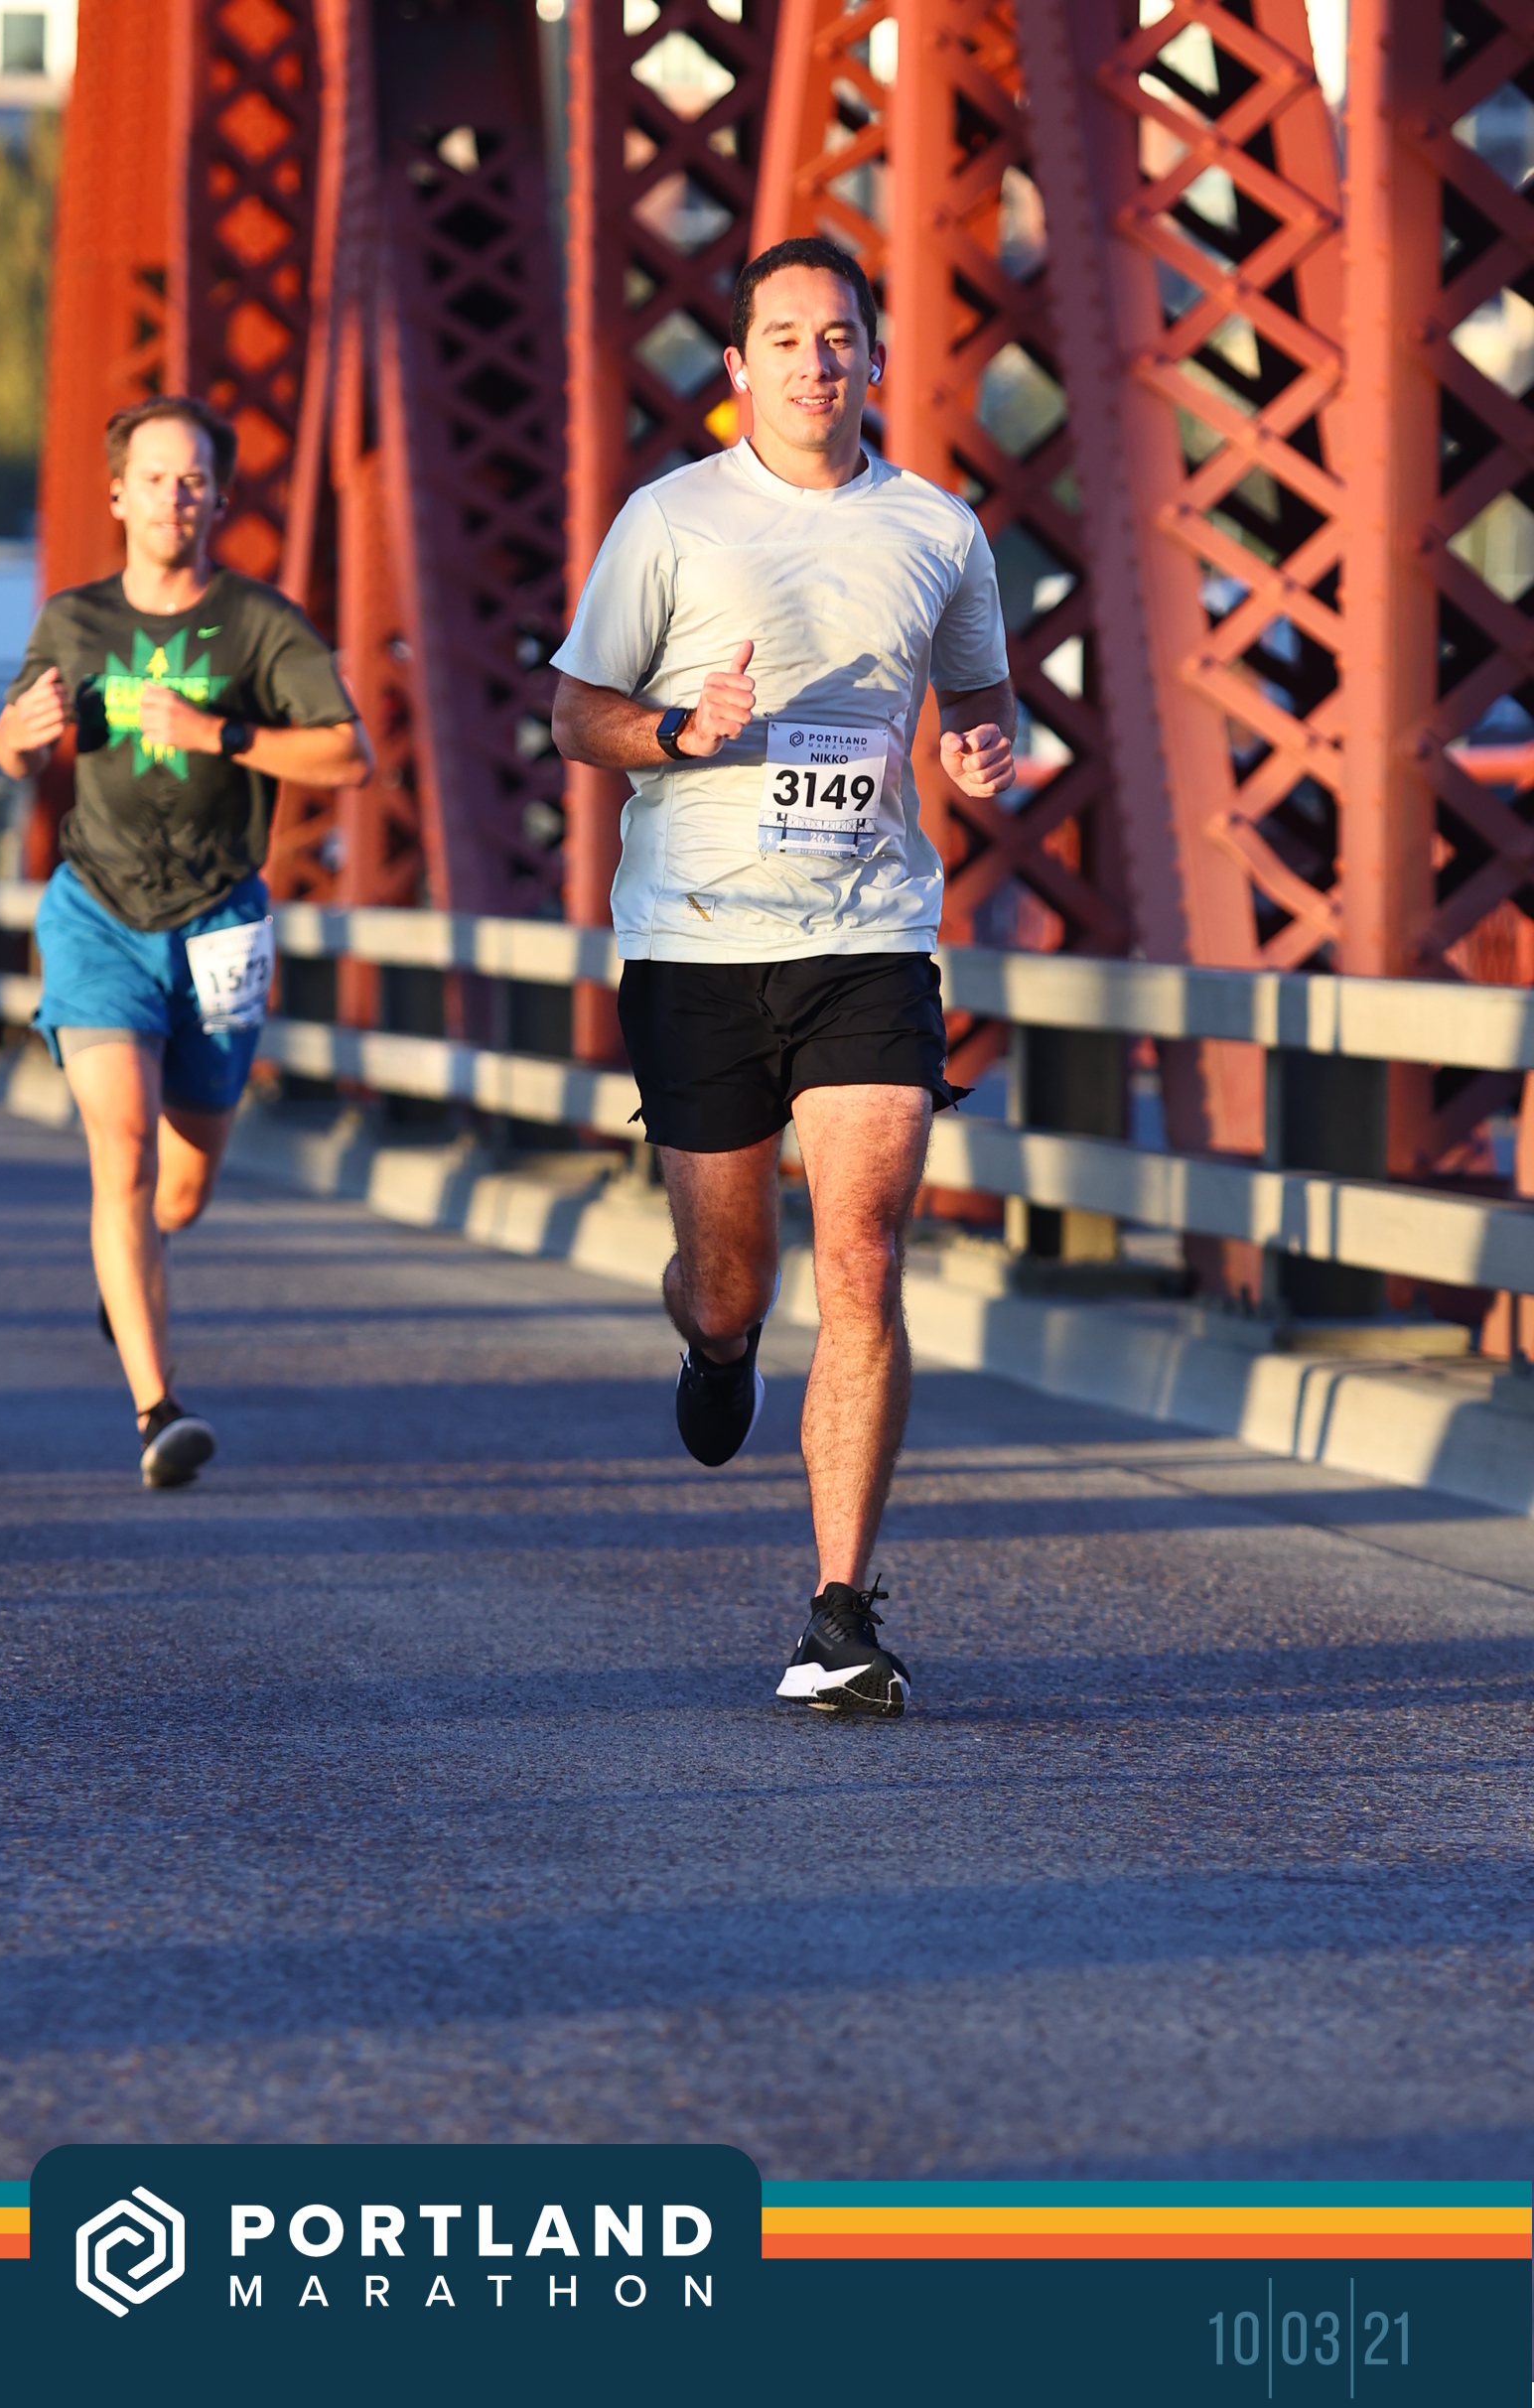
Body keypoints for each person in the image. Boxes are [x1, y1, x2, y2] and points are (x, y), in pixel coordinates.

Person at [551, 236, 1016, 1717]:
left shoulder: (937, 528)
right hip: (696, 942)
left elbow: (980, 694)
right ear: (738, 365)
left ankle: (839, 1615)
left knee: (863, 1251)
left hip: (868, 937)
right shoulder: (670, 520)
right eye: (787, 338)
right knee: (731, 1278)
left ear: (874, 356)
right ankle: (717, 1344)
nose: (817, 361)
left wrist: (979, 745)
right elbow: (574, 714)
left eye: (840, 336)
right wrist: (676, 733)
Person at [0, 396, 371, 1487]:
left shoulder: (260, 624)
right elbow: (18, 748)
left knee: (183, 1188)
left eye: (193, 479)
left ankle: (133, 1270)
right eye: (154, 478)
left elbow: (347, 757)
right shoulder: (74, 621)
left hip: (220, 923)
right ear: (117, 494)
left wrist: (221, 732)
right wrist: (16, 739)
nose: (173, 497)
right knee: (122, 1148)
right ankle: (159, 1409)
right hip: (97, 913)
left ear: (219, 496)